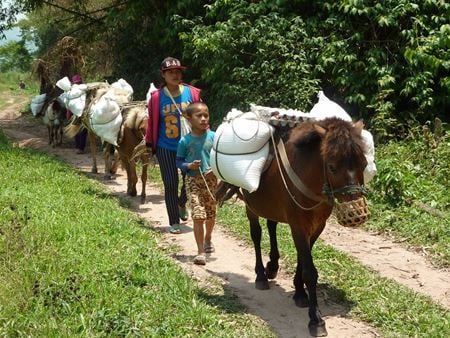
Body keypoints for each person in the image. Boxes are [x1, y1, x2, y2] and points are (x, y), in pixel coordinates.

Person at [145, 57, 202, 234]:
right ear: (163, 75)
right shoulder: (156, 97)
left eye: (178, 71)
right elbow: (152, 122)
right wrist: (149, 143)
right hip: (166, 146)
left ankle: (180, 203)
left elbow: (201, 115)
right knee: (170, 183)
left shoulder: (192, 93)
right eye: (171, 72)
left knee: (190, 179)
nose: (175, 75)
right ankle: (174, 221)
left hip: (189, 146)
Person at [176, 102, 217, 265]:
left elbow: (221, 159)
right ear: (188, 119)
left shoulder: (215, 137)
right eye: (198, 116)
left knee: (211, 214)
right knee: (198, 216)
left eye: (206, 115)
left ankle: (208, 238)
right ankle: (200, 252)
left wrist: (214, 170)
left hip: (212, 181)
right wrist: (189, 166)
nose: (203, 119)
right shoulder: (184, 141)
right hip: (193, 180)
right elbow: (178, 161)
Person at [66, 74, 88, 154]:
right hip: (83, 114)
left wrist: (68, 115)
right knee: (82, 132)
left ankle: (79, 147)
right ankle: (80, 147)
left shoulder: (72, 92)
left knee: (78, 131)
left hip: (77, 115)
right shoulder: (84, 89)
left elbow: (69, 105)